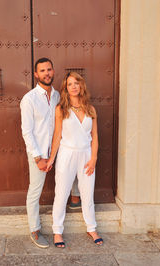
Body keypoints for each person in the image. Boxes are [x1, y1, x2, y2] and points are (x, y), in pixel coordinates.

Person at [45, 72, 103, 248]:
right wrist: (51, 159)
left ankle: (91, 228)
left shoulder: (91, 109)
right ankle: (57, 231)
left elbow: (95, 136)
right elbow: (57, 136)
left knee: (87, 193)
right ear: (66, 88)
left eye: (76, 83)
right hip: (66, 155)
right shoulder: (61, 109)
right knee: (61, 194)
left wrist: (93, 158)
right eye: (70, 84)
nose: (74, 86)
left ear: (81, 85)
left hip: (86, 155)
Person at [20, 57, 58, 248]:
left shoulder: (58, 95)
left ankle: (75, 199)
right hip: (39, 153)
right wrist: (37, 157)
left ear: (53, 71)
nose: (46, 73)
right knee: (35, 191)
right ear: (36, 74)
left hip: (57, 150)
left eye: (49, 69)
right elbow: (27, 131)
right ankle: (34, 229)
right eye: (42, 70)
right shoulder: (29, 99)